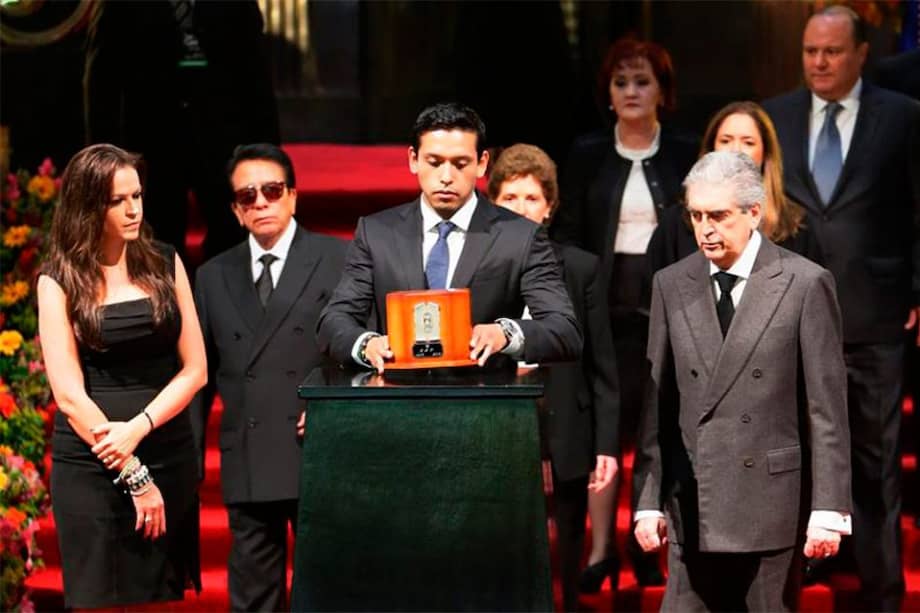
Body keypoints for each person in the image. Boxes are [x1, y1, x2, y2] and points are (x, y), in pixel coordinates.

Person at [633, 150, 852, 611]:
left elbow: (826, 409)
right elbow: (658, 404)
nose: (705, 229)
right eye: (696, 215)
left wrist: (829, 510)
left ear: (754, 212)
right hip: (693, 497)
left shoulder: (804, 283)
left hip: (770, 501)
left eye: (719, 216)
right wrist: (648, 500)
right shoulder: (672, 283)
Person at [762, 6, 920, 609]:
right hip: (791, 319)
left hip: (874, 315)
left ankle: (882, 591)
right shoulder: (774, 117)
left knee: (876, 462)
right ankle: (797, 580)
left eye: (830, 52)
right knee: (796, 453)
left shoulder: (903, 118)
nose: (818, 63)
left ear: (859, 53)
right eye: (809, 52)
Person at [550, 36, 697, 590]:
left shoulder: (685, 151)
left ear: (663, 91)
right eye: (621, 82)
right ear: (607, 94)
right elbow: (569, 235)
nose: (632, 91)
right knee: (603, 432)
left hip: (666, 309)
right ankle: (602, 549)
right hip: (602, 312)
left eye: (643, 81)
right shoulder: (588, 151)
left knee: (658, 429)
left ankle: (649, 541)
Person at [37, 143, 207, 608]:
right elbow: (69, 396)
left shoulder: (164, 261)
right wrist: (132, 471)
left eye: (137, 196)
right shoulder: (58, 279)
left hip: (165, 448)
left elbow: (195, 369)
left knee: (157, 598)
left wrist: (139, 428)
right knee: (97, 599)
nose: (134, 209)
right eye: (118, 200)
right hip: (94, 462)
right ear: (90, 205)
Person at [189, 143, 348, 612]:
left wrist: (329, 397)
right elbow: (198, 378)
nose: (260, 202)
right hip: (249, 457)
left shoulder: (338, 259)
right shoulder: (213, 276)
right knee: (254, 598)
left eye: (272, 191)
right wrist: (192, 465)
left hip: (320, 446)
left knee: (329, 590)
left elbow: (365, 347)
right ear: (236, 211)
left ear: (293, 196)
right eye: (247, 196)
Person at [316, 102, 582, 373]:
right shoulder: (376, 233)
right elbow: (334, 320)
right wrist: (366, 345)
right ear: (413, 160)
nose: (446, 177)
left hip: (484, 405)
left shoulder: (520, 236)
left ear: (481, 164)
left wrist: (506, 334)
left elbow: (564, 329)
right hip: (396, 402)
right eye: (434, 162)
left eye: (460, 163)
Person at [487, 143, 619, 612]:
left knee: (566, 557)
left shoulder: (580, 267)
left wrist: (606, 446)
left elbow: (602, 364)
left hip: (566, 428)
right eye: (509, 198)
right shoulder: (479, 270)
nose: (521, 209)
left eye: (531, 198)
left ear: (549, 209)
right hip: (500, 430)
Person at [84, 0, 280, 261]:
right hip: (152, 142)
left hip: (223, 140)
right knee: (157, 249)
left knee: (231, 243)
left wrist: (269, 151)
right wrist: (103, 156)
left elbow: (255, 72)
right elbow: (102, 79)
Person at [648, 101, 822, 273]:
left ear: (766, 153)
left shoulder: (796, 224)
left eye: (748, 142)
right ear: (711, 149)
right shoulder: (676, 222)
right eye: (725, 140)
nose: (736, 150)